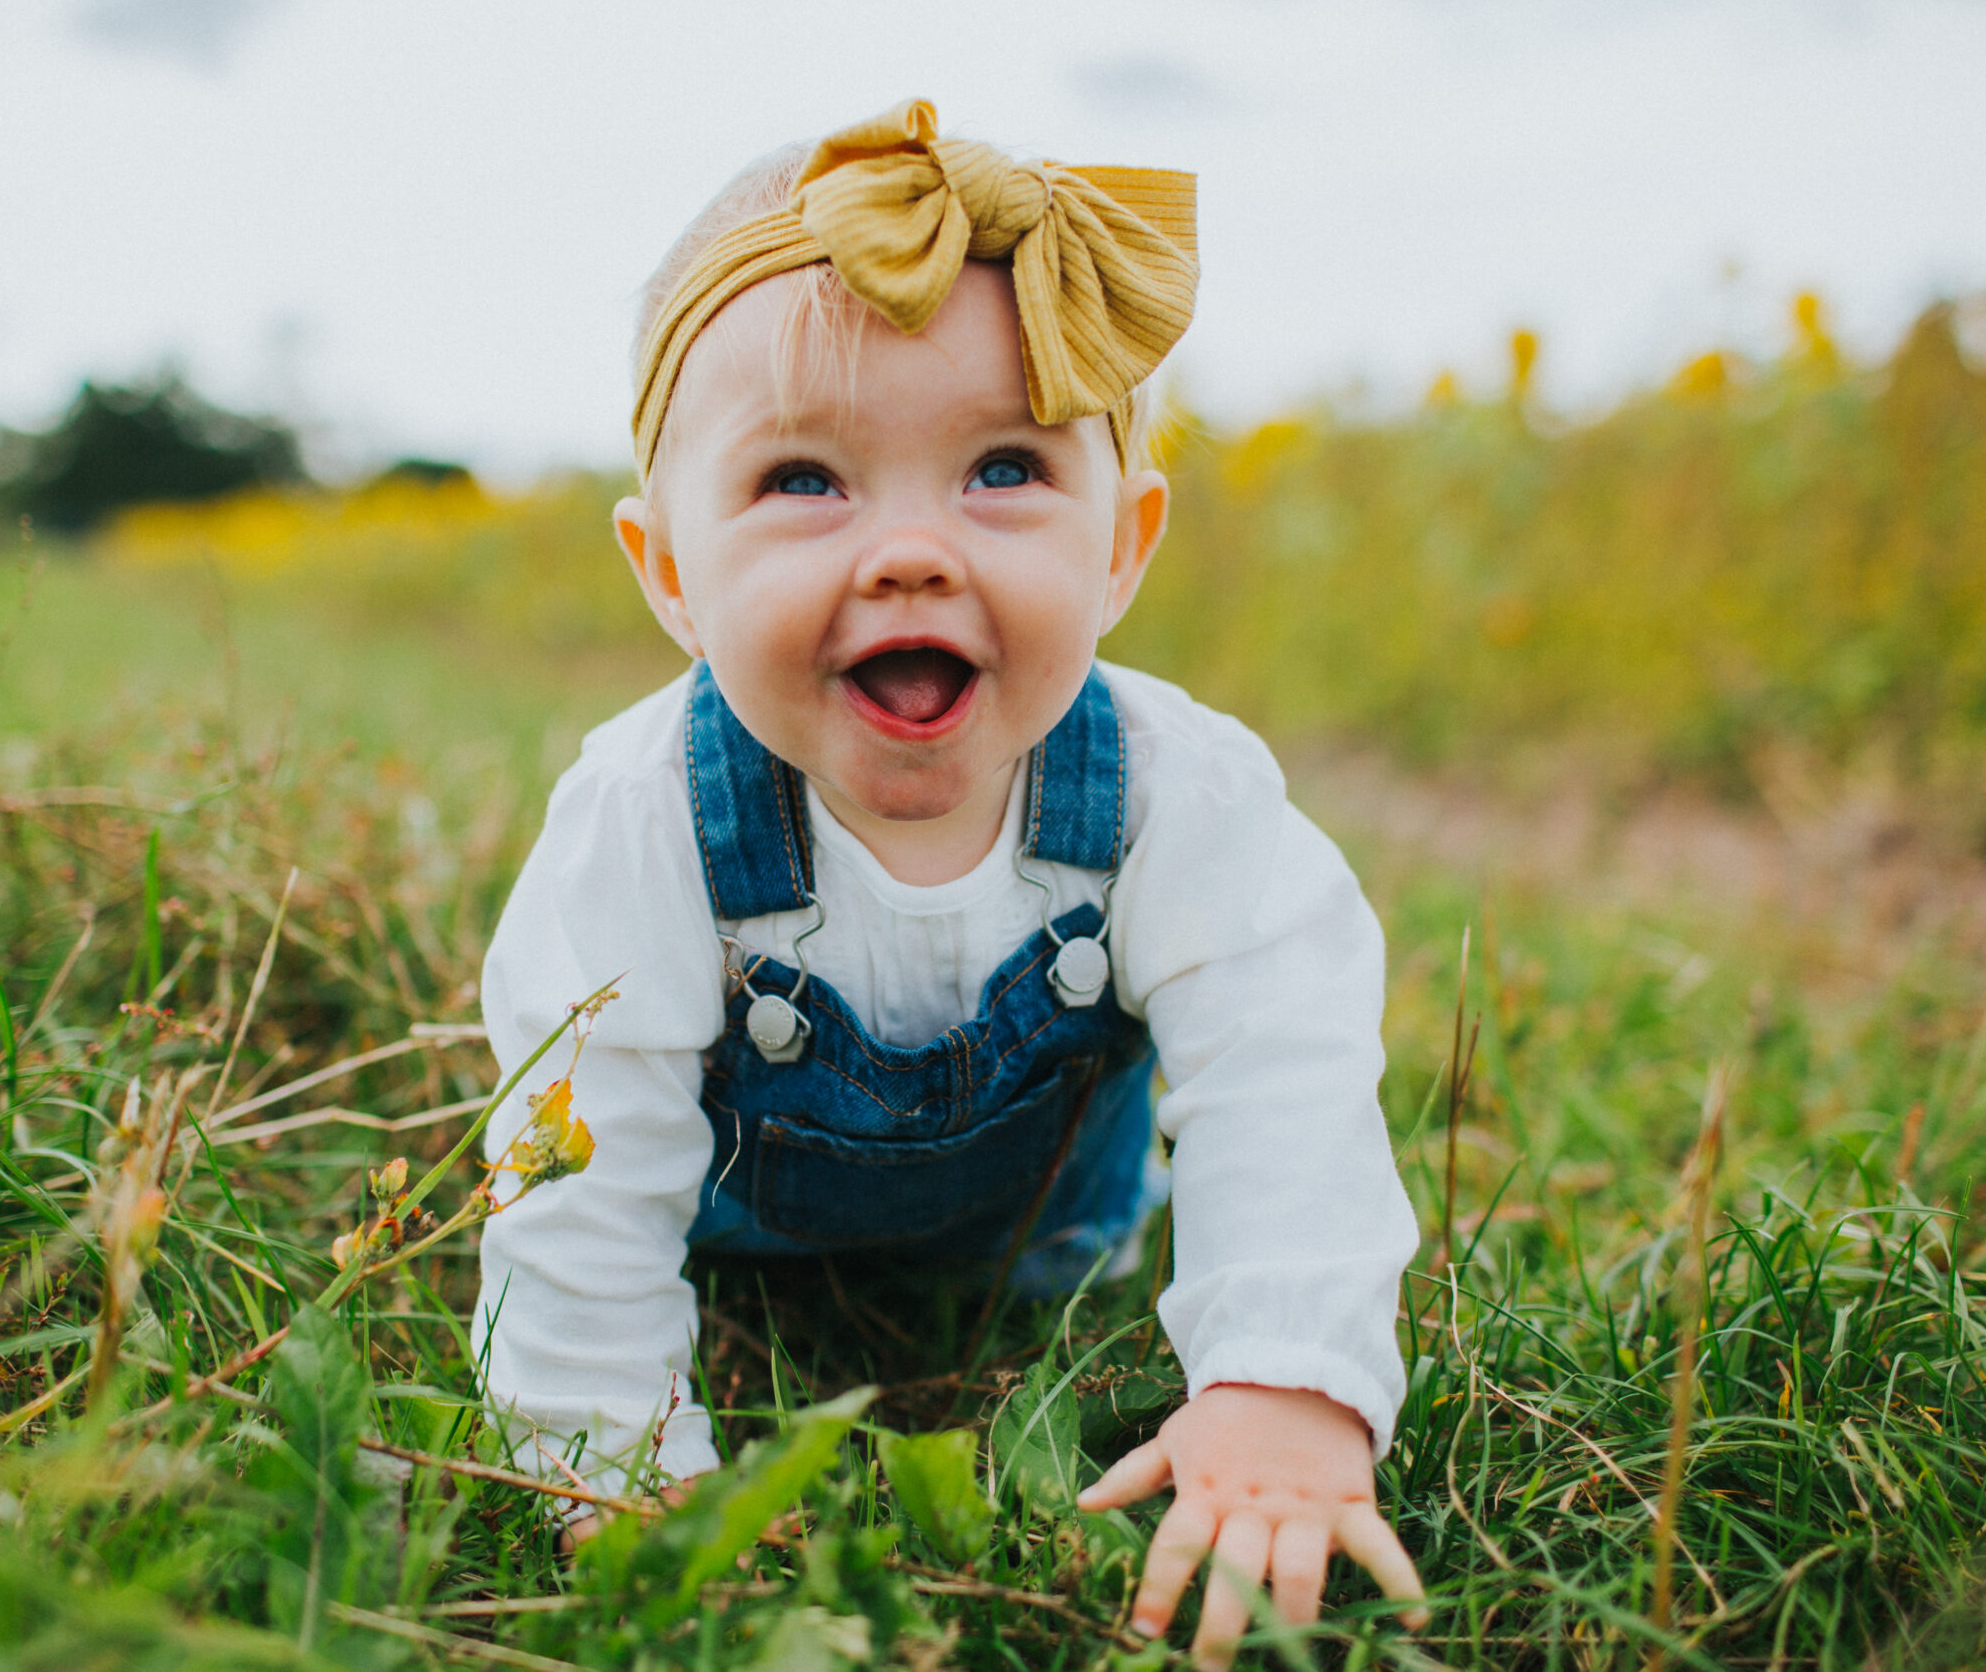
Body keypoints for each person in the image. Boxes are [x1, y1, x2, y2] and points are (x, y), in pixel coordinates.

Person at [474, 99, 1428, 1664]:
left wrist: (1283, 1381)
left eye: (1002, 468)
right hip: (742, 1265)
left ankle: (1070, 1299)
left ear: (1124, 548)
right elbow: (571, 1167)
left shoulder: (1181, 798)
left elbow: (1287, 1070)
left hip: (1045, 1263)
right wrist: (620, 1470)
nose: (912, 551)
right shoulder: (645, 820)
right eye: (803, 481)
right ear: (668, 576)